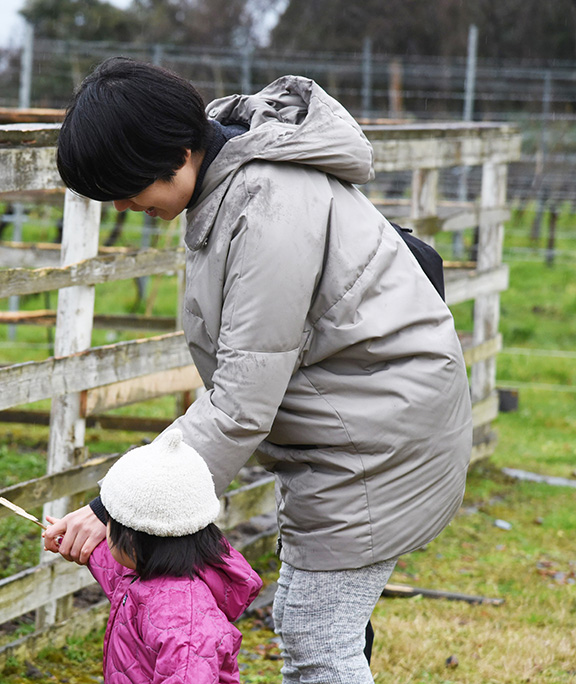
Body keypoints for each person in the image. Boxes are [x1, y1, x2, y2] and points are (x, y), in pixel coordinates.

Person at [43, 57, 473, 684]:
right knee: (318, 627)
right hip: (356, 427)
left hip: (374, 444)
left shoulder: (267, 209)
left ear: (177, 153)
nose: (128, 204)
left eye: (128, 187)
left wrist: (115, 506)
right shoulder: (233, 183)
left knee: (316, 640)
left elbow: (242, 399)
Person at [47, 428, 262, 683]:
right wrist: (70, 539)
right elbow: (109, 563)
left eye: (109, 524)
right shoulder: (144, 570)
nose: (104, 534)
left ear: (130, 537)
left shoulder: (183, 621)